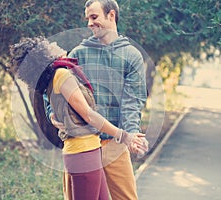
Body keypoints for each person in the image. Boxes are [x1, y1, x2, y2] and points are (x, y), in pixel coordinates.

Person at [9, 37, 147, 200]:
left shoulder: (54, 77)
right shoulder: (61, 75)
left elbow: (61, 110)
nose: (54, 45)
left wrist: (54, 116)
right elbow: (88, 115)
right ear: (44, 55)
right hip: (83, 152)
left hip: (86, 151)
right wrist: (124, 135)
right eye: (48, 46)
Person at [47, 0, 149, 199]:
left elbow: (133, 100)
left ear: (111, 16)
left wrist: (130, 134)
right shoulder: (78, 54)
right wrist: (52, 113)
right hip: (82, 142)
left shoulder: (131, 56)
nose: (89, 23)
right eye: (87, 19)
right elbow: (51, 89)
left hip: (113, 143)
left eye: (94, 17)